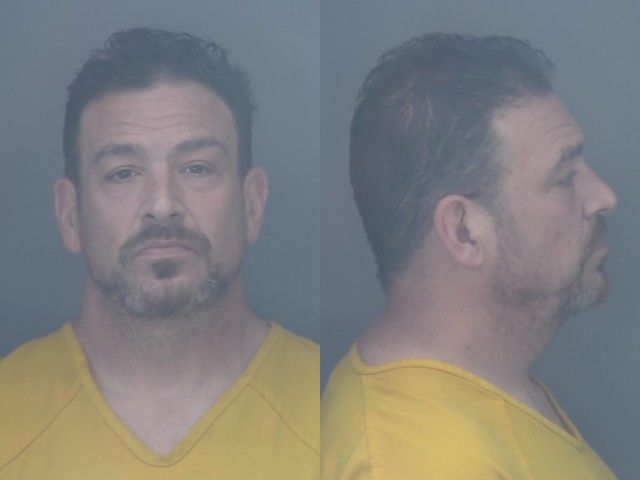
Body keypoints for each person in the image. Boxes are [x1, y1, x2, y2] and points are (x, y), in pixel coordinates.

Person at [0, 28, 318, 478]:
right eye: (123, 173)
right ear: (70, 215)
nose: (163, 204)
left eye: (196, 168)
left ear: (252, 204)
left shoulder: (332, 410)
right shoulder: (8, 416)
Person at [322, 33, 618, 479]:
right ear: (464, 231)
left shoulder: (483, 381)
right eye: (564, 178)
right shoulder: (420, 464)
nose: (605, 197)